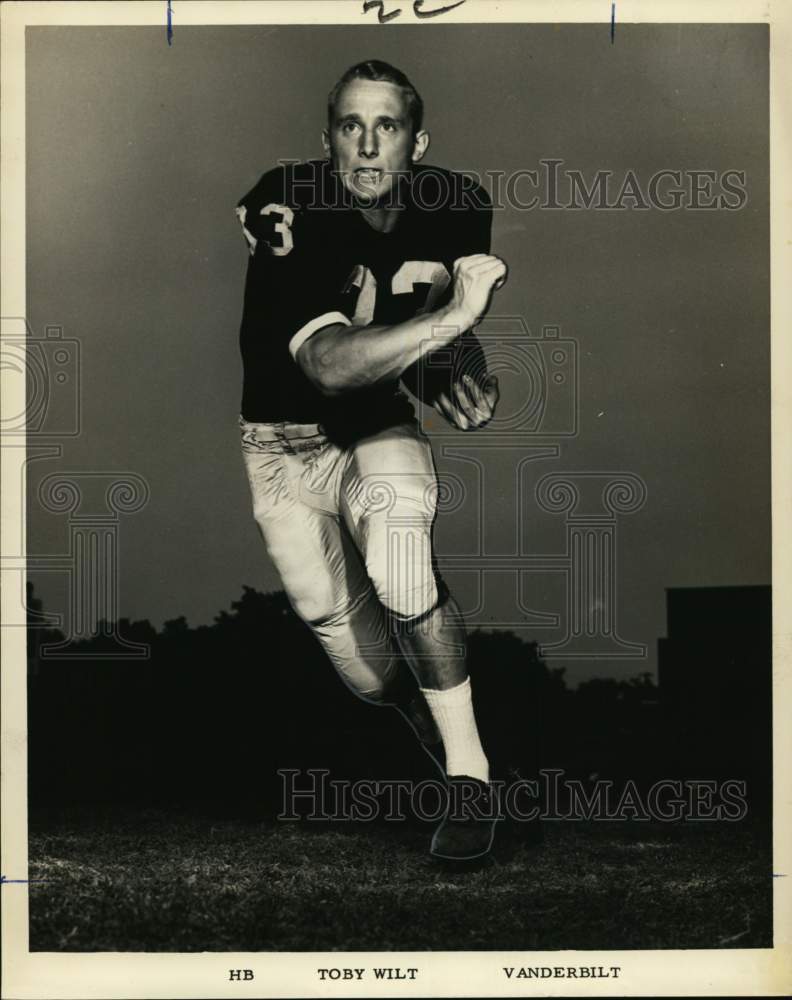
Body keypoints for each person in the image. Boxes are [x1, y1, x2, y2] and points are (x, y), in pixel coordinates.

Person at [235, 60, 507, 860]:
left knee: (402, 564)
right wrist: (453, 326)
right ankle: (426, 705)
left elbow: (412, 323)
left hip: (373, 427)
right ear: (326, 141)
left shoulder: (457, 205)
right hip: (280, 448)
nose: (366, 144)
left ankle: (470, 781)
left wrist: (456, 367)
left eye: (385, 126)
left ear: (416, 141)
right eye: (349, 126)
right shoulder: (290, 201)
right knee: (364, 675)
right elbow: (326, 362)